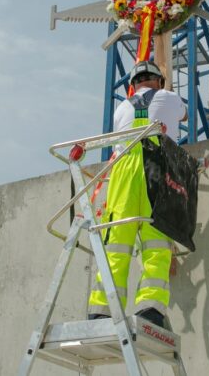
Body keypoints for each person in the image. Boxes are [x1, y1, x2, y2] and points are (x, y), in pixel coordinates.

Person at [87, 59, 186, 329]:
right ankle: (150, 310)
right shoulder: (168, 97)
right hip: (158, 169)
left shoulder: (121, 108)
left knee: (116, 241)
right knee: (156, 242)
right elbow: (184, 115)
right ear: (158, 81)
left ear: (132, 86)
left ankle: (101, 310)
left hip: (122, 171)